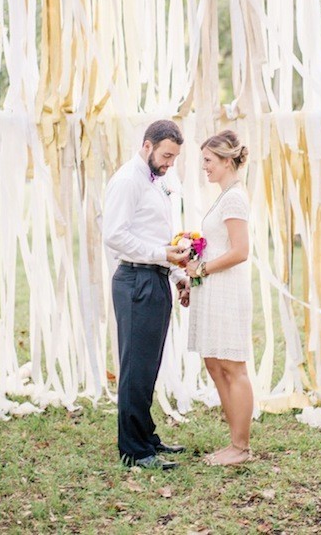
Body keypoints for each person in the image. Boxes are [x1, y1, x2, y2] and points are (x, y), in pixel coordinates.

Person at [103, 119, 190, 470]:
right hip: (136, 280)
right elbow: (115, 235)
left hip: (156, 278)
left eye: (174, 158)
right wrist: (161, 256)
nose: (170, 164)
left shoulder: (157, 181)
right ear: (147, 145)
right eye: (166, 156)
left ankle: (146, 436)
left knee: (148, 366)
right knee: (135, 368)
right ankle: (135, 451)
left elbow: (156, 235)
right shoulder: (128, 180)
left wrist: (178, 274)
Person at [186, 129, 254, 466]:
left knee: (232, 365)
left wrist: (203, 268)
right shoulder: (224, 195)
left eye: (209, 160)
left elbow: (241, 251)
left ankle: (241, 447)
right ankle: (233, 441)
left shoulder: (234, 198)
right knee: (213, 362)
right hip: (212, 288)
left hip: (227, 289)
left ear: (227, 161)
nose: (205, 167)